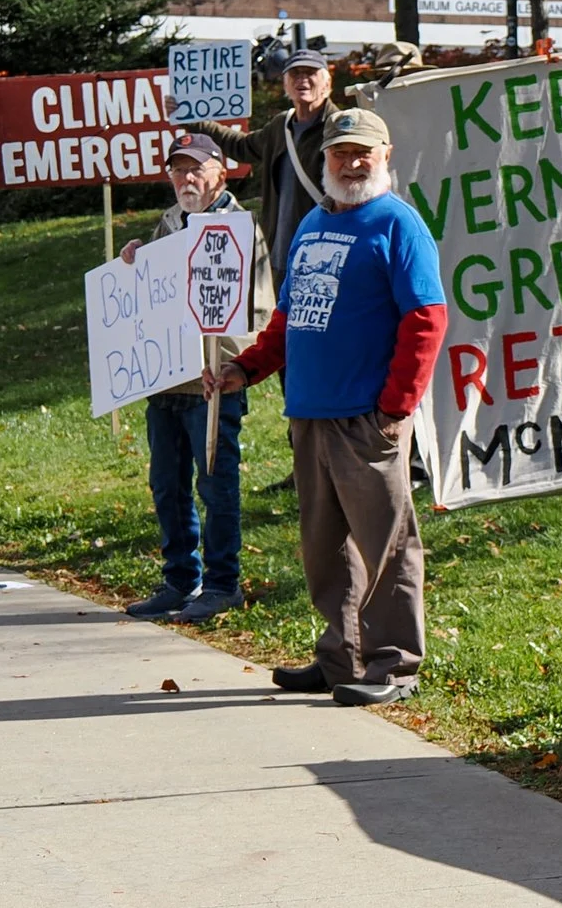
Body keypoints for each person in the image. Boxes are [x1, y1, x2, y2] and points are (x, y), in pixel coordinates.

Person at [218, 108, 447, 707]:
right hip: (311, 413)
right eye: (341, 153)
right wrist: (248, 366)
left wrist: (396, 406)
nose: (351, 162)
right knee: (325, 548)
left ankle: (394, 663)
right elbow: (290, 317)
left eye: (362, 152)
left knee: (387, 544)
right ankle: (338, 657)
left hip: (367, 419)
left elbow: (426, 320)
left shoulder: (398, 225)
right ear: (326, 159)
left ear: (385, 155)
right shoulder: (315, 224)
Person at [121, 132, 273, 625]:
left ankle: (223, 583)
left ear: (219, 174)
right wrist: (134, 261)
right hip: (163, 384)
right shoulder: (168, 223)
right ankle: (179, 581)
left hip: (211, 384)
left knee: (216, 486)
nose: (186, 178)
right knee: (167, 485)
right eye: (178, 170)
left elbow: (259, 309)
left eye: (196, 169)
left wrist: (230, 365)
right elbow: (155, 295)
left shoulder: (238, 231)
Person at [225, 44, 338, 295]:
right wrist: (194, 121)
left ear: (327, 83)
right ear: (285, 85)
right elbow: (241, 147)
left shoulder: (338, 127)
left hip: (323, 256)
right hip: (280, 256)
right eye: (295, 74)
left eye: (310, 73)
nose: (302, 79)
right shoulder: (280, 126)